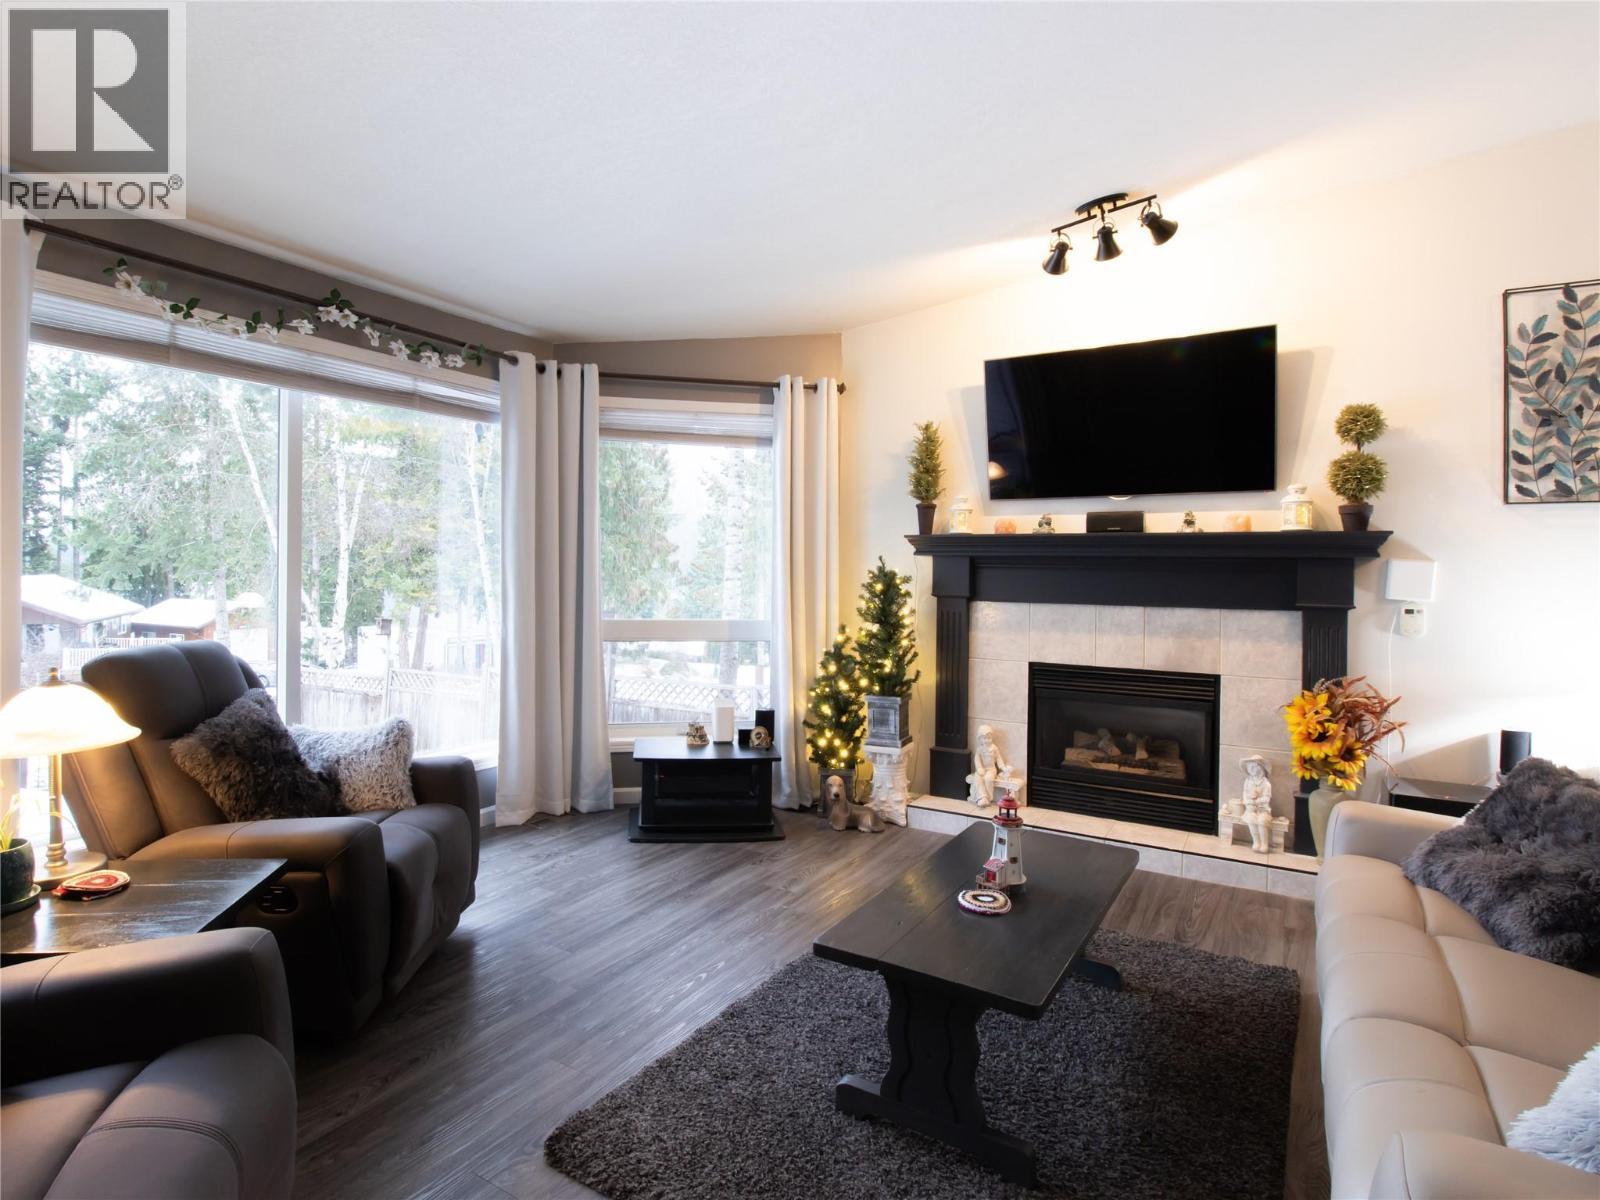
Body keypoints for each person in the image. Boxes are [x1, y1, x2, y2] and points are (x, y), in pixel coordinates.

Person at [967, 724, 1013, 808]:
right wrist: (979, 768)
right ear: (980, 739)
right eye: (984, 738)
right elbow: (977, 760)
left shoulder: (994, 748)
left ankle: (988, 798)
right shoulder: (979, 749)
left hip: (991, 769)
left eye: (989, 738)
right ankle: (982, 797)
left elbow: (999, 759)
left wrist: (1003, 768)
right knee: (978, 779)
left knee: (988, 779)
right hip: (982, 769)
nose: (987, 740)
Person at [1241, 754, 1273, 852]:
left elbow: (1267, 798)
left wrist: (1257, 801)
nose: (1251, 770)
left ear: (1260, 768)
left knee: (1262, 821)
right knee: (1251, 819)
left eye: (1253, 767)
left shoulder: (1266, 783)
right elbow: (1245, 794)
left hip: (1263, 809)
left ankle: (1264, 843)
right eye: (1250, 767)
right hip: (1251, 809)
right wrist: (1248, 802)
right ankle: (1256, 841)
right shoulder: (1248, 781)